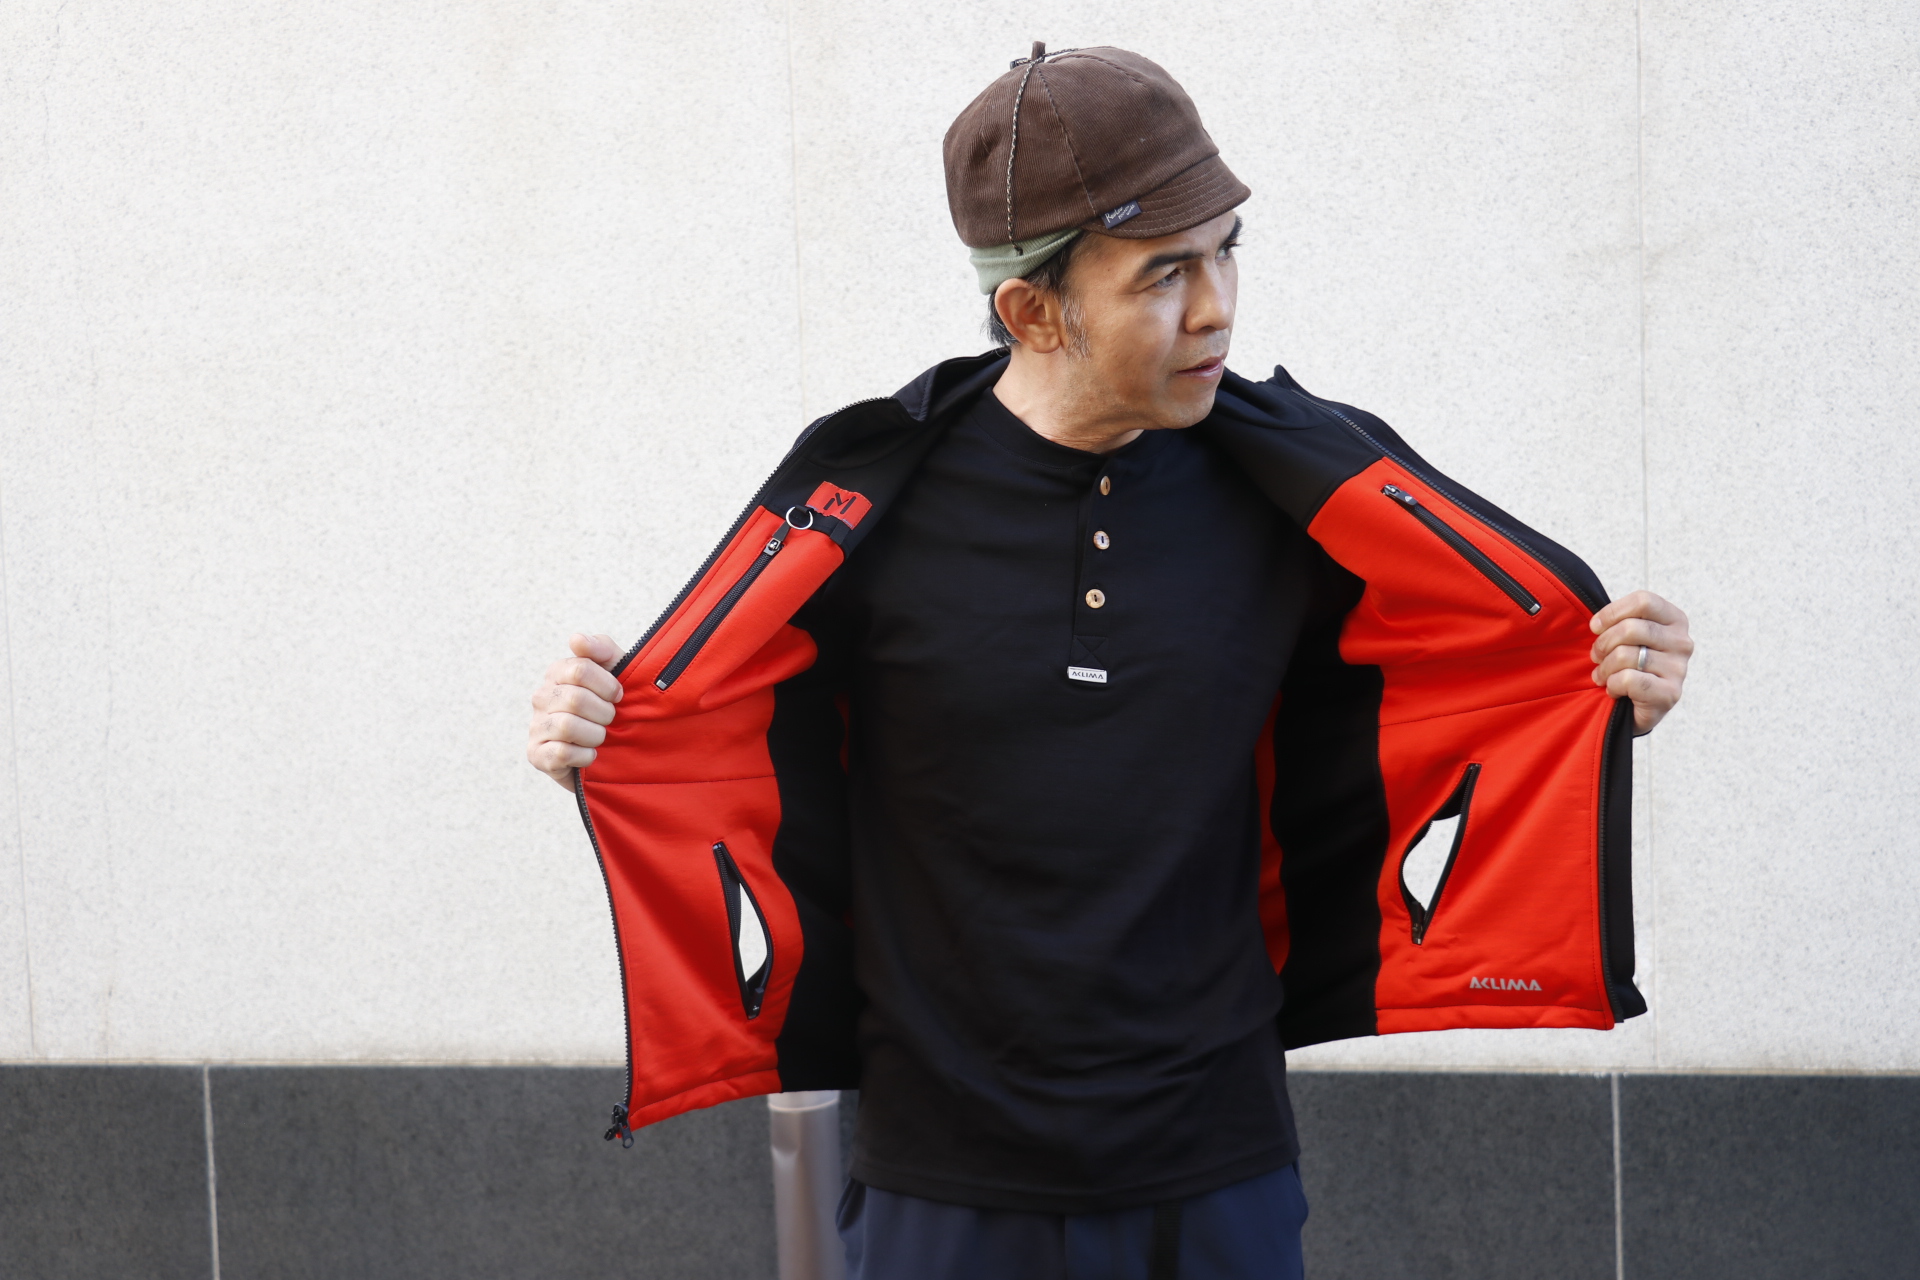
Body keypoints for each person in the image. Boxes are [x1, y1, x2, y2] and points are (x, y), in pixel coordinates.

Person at [526, 44, 1692, 1280]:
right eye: (1164, 273)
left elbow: (1451, 696)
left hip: (1220, 1171)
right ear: (1033, 312)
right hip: (943, 1182)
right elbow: (727, 735)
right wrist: (601, 733)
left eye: (1227, 250)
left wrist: (1605, 693)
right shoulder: (869, 508)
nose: (1218, 305)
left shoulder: (1292, 489)